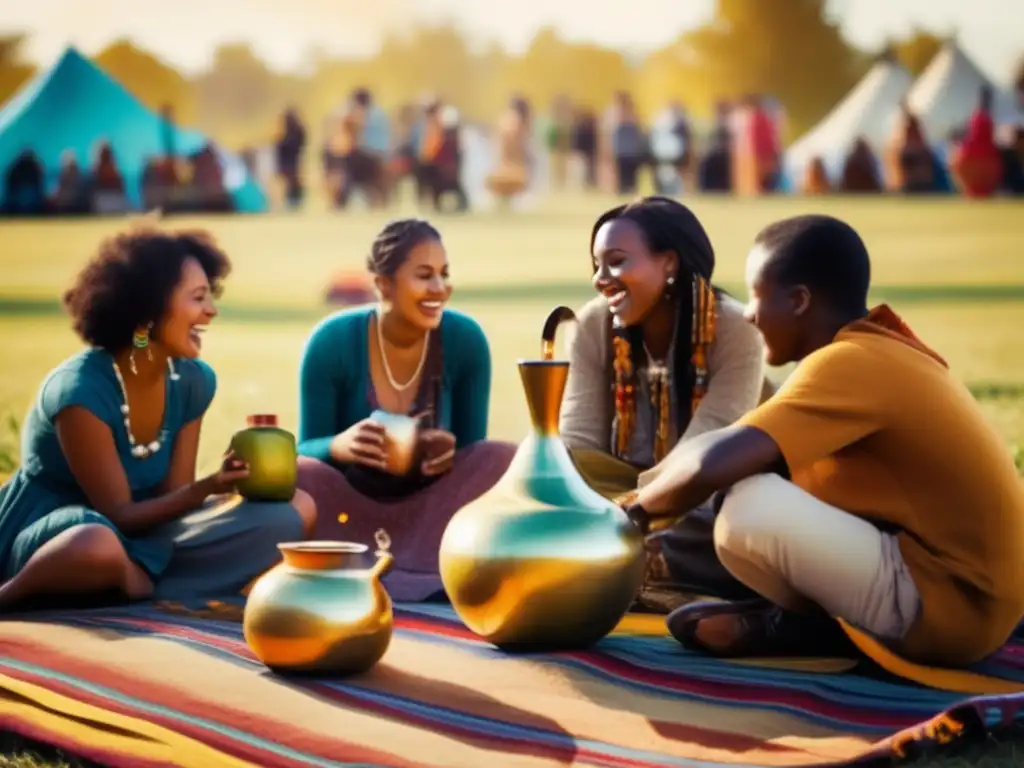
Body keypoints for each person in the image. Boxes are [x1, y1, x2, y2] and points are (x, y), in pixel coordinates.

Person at [626, 214, 1024, 667]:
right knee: (755, 487)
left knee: (746, 506)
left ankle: (812, 629)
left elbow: (713, 463)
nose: (750, 314)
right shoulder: (873, 350)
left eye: (757, 296)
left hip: (954, 608)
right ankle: (806, 625)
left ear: (799, 301)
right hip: (977, 602)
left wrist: (632, 512)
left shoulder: (850, 361)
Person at [0, 227, 317, 612]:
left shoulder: (192, 381)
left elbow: (173, 497)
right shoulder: (79, 392)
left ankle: (136, 582)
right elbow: (118, 516)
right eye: (198, 298)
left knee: (293, 511)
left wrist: (227, 486)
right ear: (147, 314)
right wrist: (206, 488)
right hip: (61, 537)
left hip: (147, 539)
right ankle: (12, 595)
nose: (211, 311)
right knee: (97, 544)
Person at [561, 197, 769, 611]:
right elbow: (576, 446)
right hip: (624, 498)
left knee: (745, 517)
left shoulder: (736, 328)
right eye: (596, 266)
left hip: (706, 495)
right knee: (542, 478)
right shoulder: (594, 323)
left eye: (616, 262)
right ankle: (630, 563)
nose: (601, 279)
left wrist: (623, 518)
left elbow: (705, 458)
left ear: (669, 263)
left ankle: (631, 564)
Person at [295, 218, 516, 602]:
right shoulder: (332, 341)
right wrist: (338, 446)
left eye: (444, 274)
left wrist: (445, 451)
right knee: (299, 474)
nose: (439, 288)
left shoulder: (465, 340)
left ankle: (435, 565)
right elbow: (303, 450)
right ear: (383, 284)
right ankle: (363, 565)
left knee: (500, 458)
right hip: (347, 510)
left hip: (431, 515)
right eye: (424, 275)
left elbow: (471, 457)